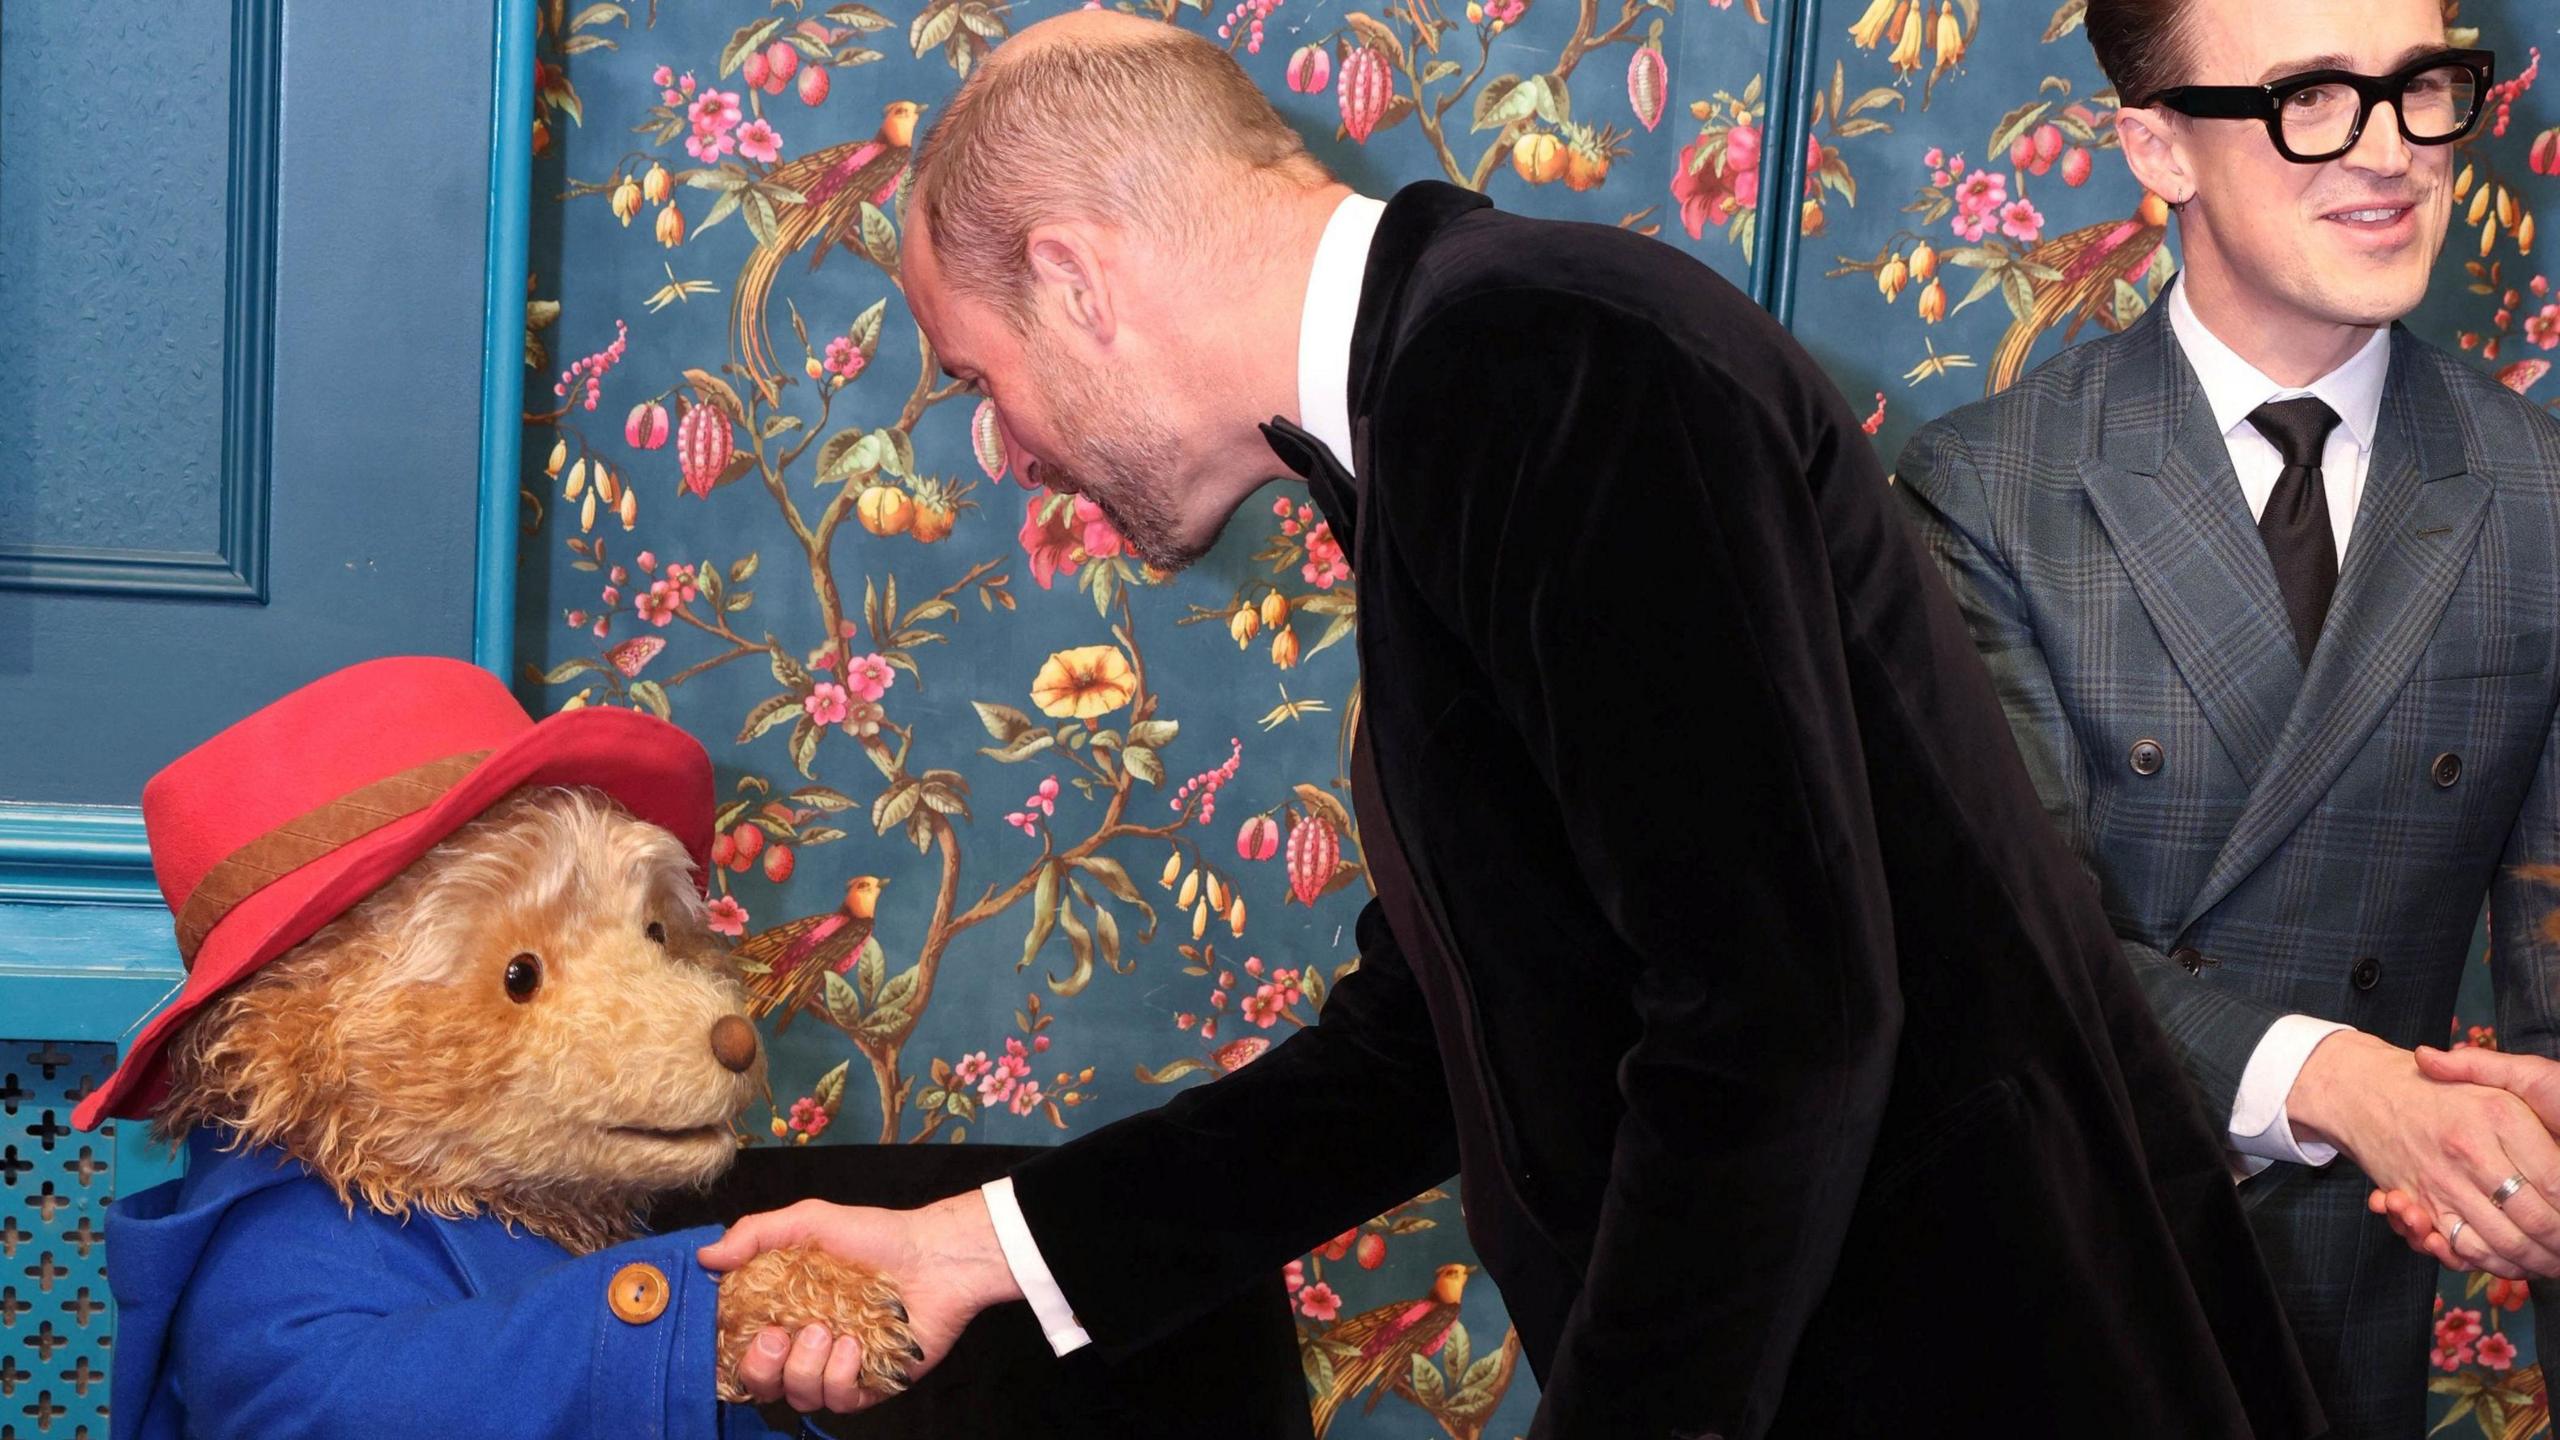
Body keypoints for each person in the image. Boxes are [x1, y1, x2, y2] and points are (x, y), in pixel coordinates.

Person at [699, 13, 2325, 1438]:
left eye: (979, 379)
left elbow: (1780, 1018)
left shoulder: (1539, 364)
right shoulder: (1466, 385)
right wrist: (981, 1247)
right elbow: (1429, 1043)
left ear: (1073, 274)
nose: (1001, 452)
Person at [1893, 0, 2560, 1433]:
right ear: (2157, 145)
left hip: (2359, 1304)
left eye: (2420, 87)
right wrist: (2349, 1085)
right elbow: (2012, 949)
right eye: (2311, 99)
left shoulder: (2541, 498)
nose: (2391, 153)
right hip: (2061, 1285)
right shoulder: (1985, 491)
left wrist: (2523, 1156)